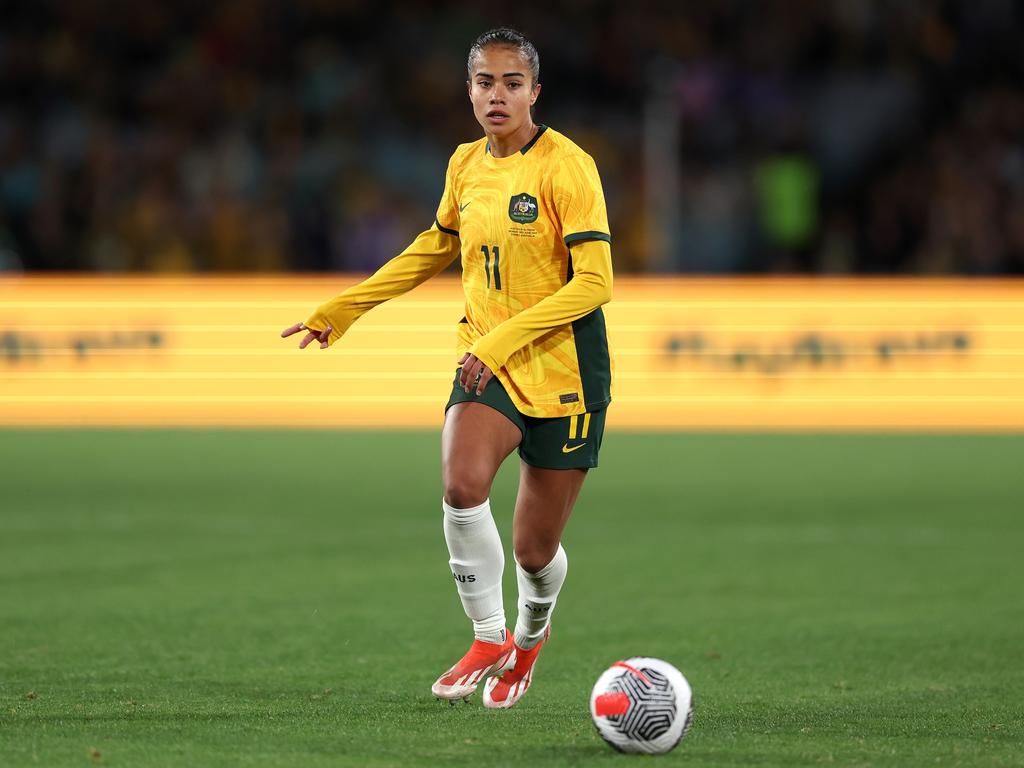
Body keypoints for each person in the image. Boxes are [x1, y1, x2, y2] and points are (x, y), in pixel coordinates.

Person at [281, 27, 613, 709]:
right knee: (462, 486)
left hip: (564, 372)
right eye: (485, 82)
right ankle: (487, 634)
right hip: (486, 365)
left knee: (532, 550)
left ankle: (529, 637)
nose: (498, 95)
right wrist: (346, 307)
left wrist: (499, 344)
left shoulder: (567, 165)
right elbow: (435, 246)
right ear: (469, 91)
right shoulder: (465, 164)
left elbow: (595, 284)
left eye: (512, 83)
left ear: (534, 92)